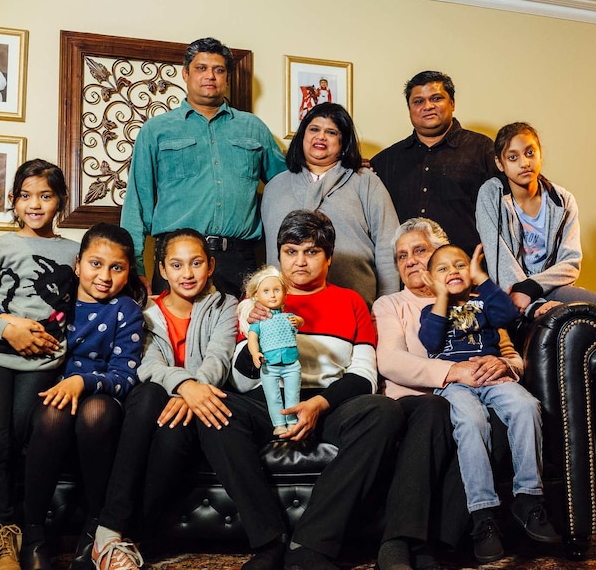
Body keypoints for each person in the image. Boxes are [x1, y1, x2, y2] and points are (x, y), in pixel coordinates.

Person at [475, 121, 596, 526]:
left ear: (540, 152)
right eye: (513, 156)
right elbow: (498, 263)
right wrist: (523, 299)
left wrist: (533, 285)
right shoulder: (491, 195)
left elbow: (571, 264)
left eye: (530, 152)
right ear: (499, 163)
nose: (523, 163)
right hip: (514, 301)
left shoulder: (562, 199)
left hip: (547, 290)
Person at [198, 210, 403, 570]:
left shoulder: (352, 302)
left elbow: (364, 375)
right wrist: (251, 335)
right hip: (268, 396)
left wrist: (319, 405)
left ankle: (312, 544)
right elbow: (242, 379)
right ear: (279, 255)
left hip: (329, 399)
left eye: (310, 252)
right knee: (217, 410)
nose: (299, 261)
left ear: (329, 257)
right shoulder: (258, 301)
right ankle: (268, 541)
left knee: (383, 411)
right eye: (290, 252)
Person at [371, 218, 527, 570]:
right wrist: (453, 372)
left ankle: (444, 542)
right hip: (418, 401)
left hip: (473, 397)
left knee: (489, 422)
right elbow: (391, 360)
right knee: (439, 410)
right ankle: (408, 544)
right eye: (401, 256)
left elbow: (509, 350)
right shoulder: (391, 304)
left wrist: (505, 367)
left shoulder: (475, 301)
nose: (410, 261)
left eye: (419, 251)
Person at [90, 228, 238, 570]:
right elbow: (148, 365)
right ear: (162, 269)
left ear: (211, 265)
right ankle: (109, 531)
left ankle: (123, 536)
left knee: (173, 434)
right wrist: (186, 386)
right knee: (149, 393)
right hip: (156, 402)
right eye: (176, 265)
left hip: (200, 405)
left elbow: (219, 358)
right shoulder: (145, 312)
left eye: (196, 263)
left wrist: (194, 391)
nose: (187, 274)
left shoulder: (226, 306)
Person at [0, 159, 78, 570]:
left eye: (45, 196)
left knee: (21, 439)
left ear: (60, 200)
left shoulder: (75, 252)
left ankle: (9, 535)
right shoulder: (0, 246)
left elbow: (81, 306)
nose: (35, 204)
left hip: (44, 361)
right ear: (13, 201)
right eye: (25, 196)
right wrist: (8, 329)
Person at [17, 223, 147, 570]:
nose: (104, 276)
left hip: (101, 396)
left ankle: (94, 528)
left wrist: (82, 382)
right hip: (51, 392)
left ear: (127, 271)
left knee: (96, 413)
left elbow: (125, 375)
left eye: (116, 267)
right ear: (77, 264)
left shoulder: (127, 310)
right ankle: (34, 534)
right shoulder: (56, 299)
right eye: (95, 264)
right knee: (53, 413)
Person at [418, 243, 557, 562]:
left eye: (460, 265)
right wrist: (440, 295)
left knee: (526, 406)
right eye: (442, 268)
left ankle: (528, 498)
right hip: (456, 384)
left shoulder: (485, 303)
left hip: (493, 375)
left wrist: (482, 279)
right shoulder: (431, 310)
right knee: (471, 421)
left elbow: (509, 315)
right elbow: (430, 341)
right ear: (429, 279)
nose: (453, 271)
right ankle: (483, 517)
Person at [120, 37, 287, 297]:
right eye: (201, 68)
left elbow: (286, 187)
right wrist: (135, 267)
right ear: (185, 74)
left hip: (239, 260)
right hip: (177, 259)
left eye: (219, 70)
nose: (210, 76)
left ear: (227, 78)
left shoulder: (253, 128)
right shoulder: (156, 131)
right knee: (176, 336)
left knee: (243, 334)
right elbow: (136, 205)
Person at [262, 102, 400, 307]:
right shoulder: (275, 186)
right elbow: (270, 253)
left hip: (357, 306)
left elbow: (388, 246)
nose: (321, 137)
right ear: (302, 136)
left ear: (343, 142)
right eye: (314, 129)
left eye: (331, 132)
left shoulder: (366, 181)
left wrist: (387, 306)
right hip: (286, 309)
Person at [370, 71, 498, 253]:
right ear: (409, 109)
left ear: (452, 103)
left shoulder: (483, 149)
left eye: (436, 98)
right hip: (407, 273)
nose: (428, 106)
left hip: (468, 271)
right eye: (418, 101)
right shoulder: (387, 160)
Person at [244, 265, 304, 435]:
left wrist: (298, 322)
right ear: (256, 295)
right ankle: (278, 423)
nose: (272, 295)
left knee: (293, 395)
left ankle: (292, 421)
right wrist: (255, 353)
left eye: (277, 290)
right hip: (269, 366)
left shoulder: (289, 317)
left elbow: (300, 321)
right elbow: (252, 339)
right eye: (266, 291)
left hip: (291, 364)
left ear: (285, 293)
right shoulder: (258, 322)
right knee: (273, 397)